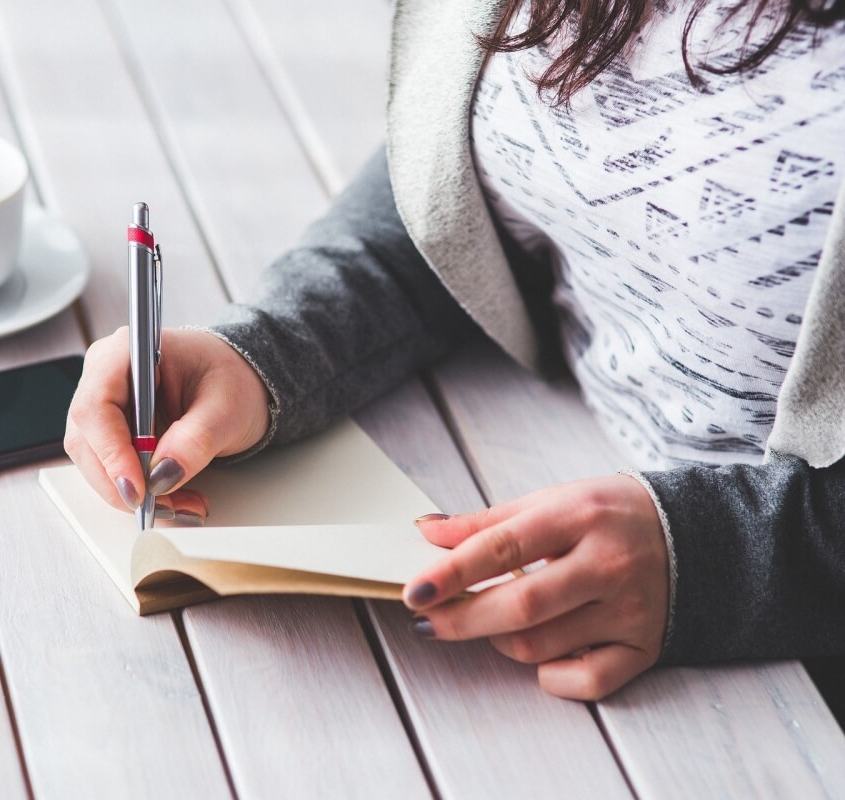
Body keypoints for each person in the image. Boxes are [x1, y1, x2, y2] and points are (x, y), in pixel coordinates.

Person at [65, 0, 845, 704]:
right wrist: (266, 349)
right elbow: (473, 189)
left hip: (783, 693)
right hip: (530, 455)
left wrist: (724, 559)